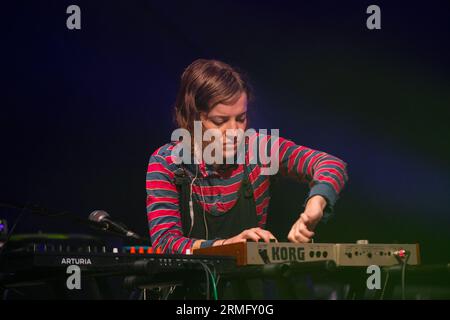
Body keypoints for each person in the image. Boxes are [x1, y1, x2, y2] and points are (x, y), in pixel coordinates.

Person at [146, 59, 348, 254]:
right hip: (189, 286)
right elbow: (165, 242)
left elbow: (331, 164)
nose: (234, 131)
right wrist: (230, 245)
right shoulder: (167, 162)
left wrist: (317, 202)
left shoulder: (260, 150)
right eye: (220, 121)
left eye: (241, 119)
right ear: (192, 118)